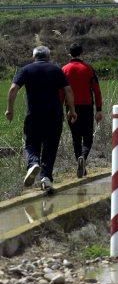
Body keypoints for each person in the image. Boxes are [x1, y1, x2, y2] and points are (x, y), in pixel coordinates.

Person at [5, 46, 77, 192]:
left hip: (34, 114)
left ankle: (33, 163)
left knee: (31, 143)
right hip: (54, 115)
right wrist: (72, 110)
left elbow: (13, 89)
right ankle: (46, 178)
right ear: (48, 57)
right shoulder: (56, 70)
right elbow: (68, 90)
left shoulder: (26, 70)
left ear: (33, 57)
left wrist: (9, 110)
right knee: (50, 147)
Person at [62, 43, 103, 178]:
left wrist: (61, 107)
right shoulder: (88, 69)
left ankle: (80, 161)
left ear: (70, 54)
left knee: (76, 138)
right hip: (86, 107)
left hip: (70, 108)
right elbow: (96, 90)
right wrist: (99, 109)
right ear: (81, 53)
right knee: (88, 137)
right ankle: (83, 159)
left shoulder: (64, 70)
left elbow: (61, 91)